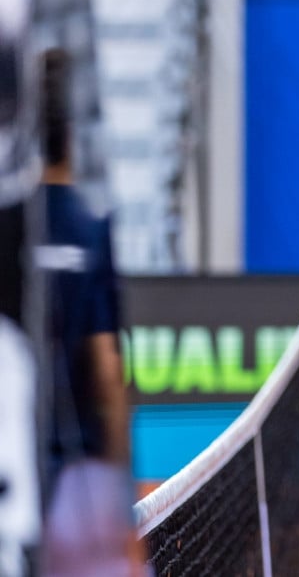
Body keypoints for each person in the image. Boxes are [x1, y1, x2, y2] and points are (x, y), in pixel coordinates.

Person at [34, 47, 142, 577]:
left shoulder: (10, 227)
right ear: (73, 136)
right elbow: (106, 368)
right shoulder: (91, 231)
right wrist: (121, 490)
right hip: (78, 480)